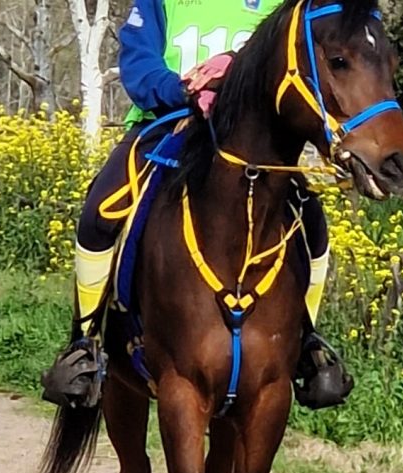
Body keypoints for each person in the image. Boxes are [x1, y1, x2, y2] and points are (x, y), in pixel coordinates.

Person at [41, 0, 353, 410]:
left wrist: (234, 68)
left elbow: (300, 56)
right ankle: (85, 344)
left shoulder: (283, 5)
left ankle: (307, 341)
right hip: (168, 122)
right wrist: (183, 90)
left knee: (311, 222)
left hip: (249, 142)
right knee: (100, 212)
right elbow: (138, 60)